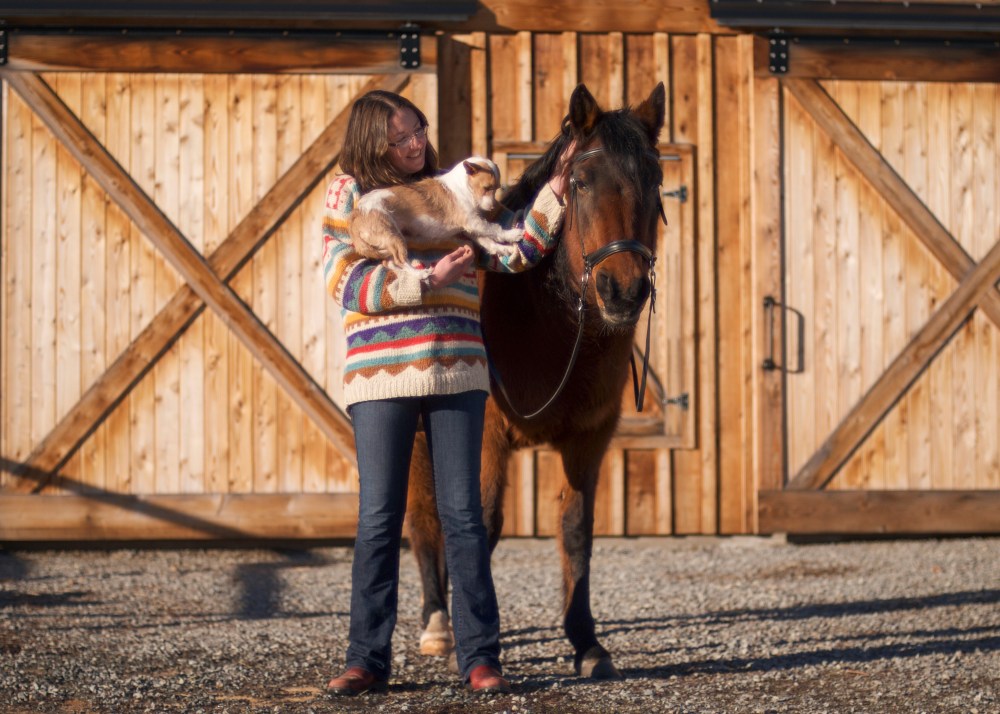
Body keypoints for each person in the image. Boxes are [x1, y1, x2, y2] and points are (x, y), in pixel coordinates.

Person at [321, 90, 573, 696]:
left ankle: (481, 658)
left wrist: (556, 195)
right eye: (398, 138)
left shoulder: (453, 192)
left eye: (418, 130)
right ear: (369, 145)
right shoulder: (350, 193)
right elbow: (343, 280)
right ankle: (366, 660)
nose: (414, 144)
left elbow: (514, 252)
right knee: (379, 518)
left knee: (465, 518)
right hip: (383, 375)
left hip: (458, 370)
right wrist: (424, 282)